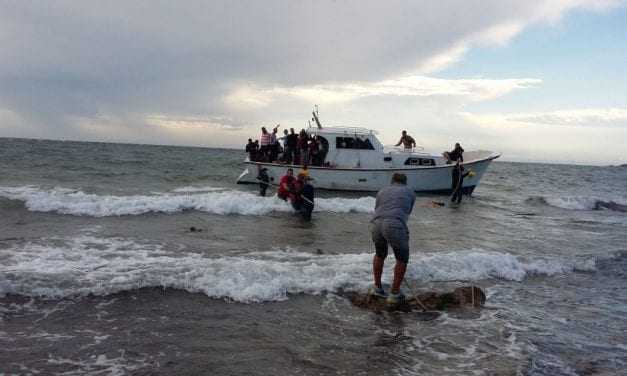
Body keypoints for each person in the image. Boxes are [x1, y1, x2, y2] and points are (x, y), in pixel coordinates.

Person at [369, 173, 416, 306]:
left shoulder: (382, 190)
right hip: (394, 223)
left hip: (377, 223)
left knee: (380, 254)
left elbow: (377, 208)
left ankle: (377, 288)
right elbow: (408, 211)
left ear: (392, 181)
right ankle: (394, 293)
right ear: (405, 182)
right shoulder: (410, 191)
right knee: (402, 258)